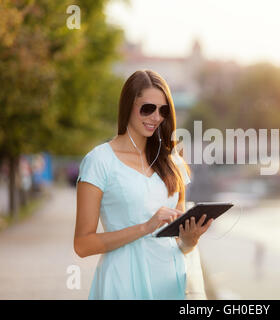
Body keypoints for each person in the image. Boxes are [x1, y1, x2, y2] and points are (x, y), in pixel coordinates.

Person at [74, 70, 214, 299]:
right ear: (128, 105)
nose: (156, 117)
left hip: (170, 283)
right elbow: (82, 245)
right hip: (122, 283)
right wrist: (145, 227)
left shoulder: (173, 163)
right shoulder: (98, 161)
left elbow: (179, 242)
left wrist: (190, 240)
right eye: (147, 108)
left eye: (163, 110)